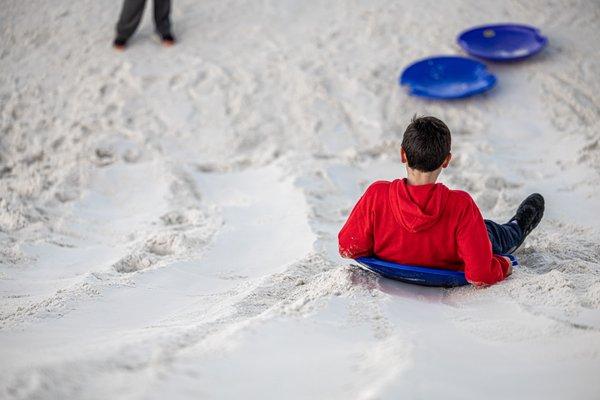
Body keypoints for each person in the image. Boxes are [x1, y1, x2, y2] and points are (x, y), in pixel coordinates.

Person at [338, 116, 544, 286]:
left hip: (395, 266)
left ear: (403, 154)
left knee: (481, 229)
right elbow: (480, 275)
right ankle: (517, 227)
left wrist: (392, 247)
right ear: (446, 160)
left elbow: (348, 246)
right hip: (454, 255)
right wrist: (503, 265)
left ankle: (510, 227)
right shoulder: (460, 205)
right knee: (491, 233)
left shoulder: (377, 194)